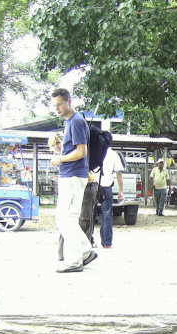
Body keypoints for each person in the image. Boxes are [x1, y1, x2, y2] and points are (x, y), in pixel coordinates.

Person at [50, 88, 95, 273]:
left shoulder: (76, 122)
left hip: (73, 176)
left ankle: (75, 260)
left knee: (67, 218)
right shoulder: (70, 122)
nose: (57, 108)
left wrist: (60, 158)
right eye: (55, 105)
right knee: (63, 218)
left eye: (60, 104)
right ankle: (84, 250)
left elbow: (81, 152)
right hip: (69, 175)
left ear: (69, 101)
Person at [50, 133, 99, 262]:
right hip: (76, 187)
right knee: (65, 220)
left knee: (82, 220)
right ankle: (64, 253)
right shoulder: (62, 157)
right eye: (54, 145)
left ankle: (84, 252)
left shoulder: (72, 154)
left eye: (58, 143)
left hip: (86, 187)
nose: (56, 147)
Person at [95, 147, 124, 248]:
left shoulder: (93, 150)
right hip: (107, 188)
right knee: (106, 214)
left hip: (93, 186)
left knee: (89, 215)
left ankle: (88, 240)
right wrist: (121, 190)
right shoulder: (113, 154)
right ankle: (106, 243)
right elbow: (119, 173)